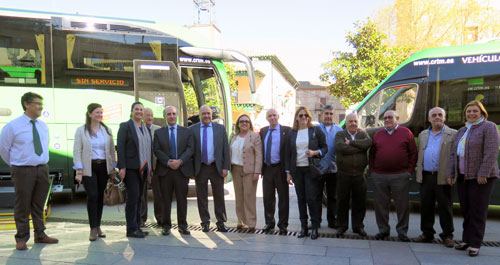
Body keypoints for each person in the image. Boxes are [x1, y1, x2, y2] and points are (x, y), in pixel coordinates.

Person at [0, 92, 59, 251]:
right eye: (37, 104)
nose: (40, 107)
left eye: (41, 104)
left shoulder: (42, 125)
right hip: (23, 170)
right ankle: (21, 238)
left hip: (42, 169)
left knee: (39, 204)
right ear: (27, 104)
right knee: (22, 205)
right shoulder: (12, 126)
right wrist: (17, 165)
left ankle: (40, 234)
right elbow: (4, 150)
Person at [447, 100, 499, 257]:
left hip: (481, 178)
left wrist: (483, 172)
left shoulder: (489, 127)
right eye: (468, 111)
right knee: (466, 209)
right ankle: (466, 239)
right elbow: (453, 155)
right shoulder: (462, 130)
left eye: (475, 111)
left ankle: (475, 243)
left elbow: (491, 152)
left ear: (482, 113)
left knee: (477, 210)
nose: (471, 114)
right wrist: (451, 174)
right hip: (463, 176)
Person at [369, 110, 417, 242]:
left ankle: (402, 232)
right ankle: (383, 230)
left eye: (390, 117)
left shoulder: (406, 133)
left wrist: (409, 172)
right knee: (380, 205)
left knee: (402, 206)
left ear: (397, 118)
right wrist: (373, 171)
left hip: (400, 176)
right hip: (380, 176)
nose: (387, 120)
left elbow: (413, 153)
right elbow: (372, 154)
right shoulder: (378, 134)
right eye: (385, 118)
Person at [413, 107, 456, 247]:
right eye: (434, 115)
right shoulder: (423, 135)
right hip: (426, 176)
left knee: (445, 207)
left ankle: (447, 235)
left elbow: (455, 157)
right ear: (429, 119)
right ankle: (427, 233)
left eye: (440, 115)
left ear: (444, 117)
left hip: (443, 176)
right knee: (426, 206)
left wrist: (452, 174)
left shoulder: (453, 134)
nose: (437, 117)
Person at [73, 103, 116, 241]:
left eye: (101, 112)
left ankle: (98, 226)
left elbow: (111, 151)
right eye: (97, 112)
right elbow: (77, 151)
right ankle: (92, 228)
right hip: (88, 167)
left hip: (104, 167)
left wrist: (113, 168)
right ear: (90, 114)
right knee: (92, 195)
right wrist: (79, 170)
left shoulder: (107, 130)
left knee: (99, 198)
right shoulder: (81, 130)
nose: (100, 115)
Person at [285, 106, 327, 240]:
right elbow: (288, 154)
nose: (303, 118)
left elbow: (325, 147)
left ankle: (314, 227)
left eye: (305, 115)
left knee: (312, 199)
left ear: (309, 117)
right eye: (301, 115)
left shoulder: (315, 130)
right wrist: (288, 172)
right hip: (297, 170)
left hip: (311, 169)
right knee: (301, 199)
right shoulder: (292, 133)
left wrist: (315, 153)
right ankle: (303, 227)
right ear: (296, 117)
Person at [154, 106, 194, 236]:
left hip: (181, 170)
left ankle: (183, 225)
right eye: (168, 114)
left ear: (177, 115)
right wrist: (168, 162)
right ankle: (166, 226)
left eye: (173, 114)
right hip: (165, 171)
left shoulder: (186, 131)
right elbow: (157, 150)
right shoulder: (159, 133)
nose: (171, 116)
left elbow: (190, 149)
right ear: (165, 116)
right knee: (165, 199)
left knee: (182, 199)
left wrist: (180, 161)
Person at [190, 105, 230, 232]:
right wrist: (191, 170)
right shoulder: (192, 130)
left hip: (215, 167)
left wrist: (225, 167)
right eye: (204, 114)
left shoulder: (220, 129)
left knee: (219, 196)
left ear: (212, 115)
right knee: (201, 196)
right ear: (200, 115)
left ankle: (221, 222)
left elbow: (225, 149)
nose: (206, 116)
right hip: (200, 167)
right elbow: (191, 152)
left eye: (208, 113)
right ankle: (205, 222)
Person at [117, 102, 152, 238]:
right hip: (131, 168)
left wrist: (150, 169)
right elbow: (120, 147)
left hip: (143, 168)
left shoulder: (145, 128)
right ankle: (131, 229)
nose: (139, 111)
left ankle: (137, 226)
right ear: (132, 111)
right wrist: (122, 167)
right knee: (133, 198)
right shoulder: (125, 126)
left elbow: (148, 149)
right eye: (136, 109)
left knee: (139, 197)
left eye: (141, 110)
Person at [334, 113, 371, 236]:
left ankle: (358, 226)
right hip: (343, 174)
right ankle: (341, 226)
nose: (353, 124)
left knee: (360, 202)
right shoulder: (340, 134)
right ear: (346, 123)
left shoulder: (362, 134)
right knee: (342, 202)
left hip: (359, 175)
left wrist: (351, 143)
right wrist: (359, 148)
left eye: (355, 121)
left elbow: (368, 143)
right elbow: (340, 148)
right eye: (350, 121)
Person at [260, 109, 291, 234]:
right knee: (268, 198)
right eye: (269, 116)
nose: (272, 118)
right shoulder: (263, 131)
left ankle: (283, 225)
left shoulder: (286, 131)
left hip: (280, 169)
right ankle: (269, 223)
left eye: (274, 115)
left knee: (283, 198)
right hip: (267, 169)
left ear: (278, 116)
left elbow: (289, 151)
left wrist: (289, 171)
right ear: (267, 118)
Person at [230, 114, 262, 231]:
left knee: (249, 196)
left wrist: (257, 171)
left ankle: (251, 223)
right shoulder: (234, 137)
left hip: (249, 170)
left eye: (247, 122)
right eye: (242, 121)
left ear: (250, 124)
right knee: (239, 197)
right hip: (235, 169)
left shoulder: (254, 137)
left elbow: (259, 155)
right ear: (238, 124)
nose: (244, 123)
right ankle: (241, 221)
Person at [316, 105, 343, 229]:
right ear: (321, 115)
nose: (328, 116)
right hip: (319, 169)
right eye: (326, 113)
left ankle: (332, 221)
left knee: (333, 196)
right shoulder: (315, 129)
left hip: (333, 168)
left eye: (331, 114)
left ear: (334, 115)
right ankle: (316, 221)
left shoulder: (339, 130)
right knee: (317, 196)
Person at [140, 107, 162, 227]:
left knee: (158, 195)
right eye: (147, 115)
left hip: (156, 168)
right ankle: (142, 219)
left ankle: (160, 218)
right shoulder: (138, 129)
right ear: (142, 117)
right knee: (142, 195)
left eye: (151, 115)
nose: (150, 118)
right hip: (142, 168)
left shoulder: (158, 130)